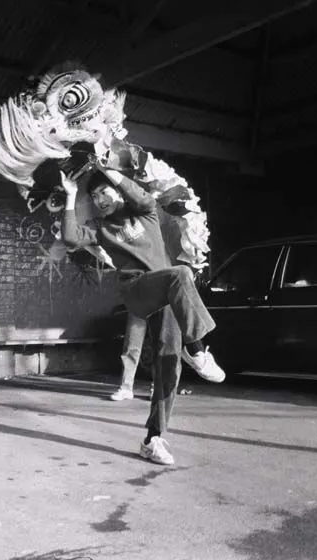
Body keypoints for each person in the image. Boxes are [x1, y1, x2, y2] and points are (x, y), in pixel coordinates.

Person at [61, 166, 225, 465]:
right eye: (94, 196)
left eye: (104, 192)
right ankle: (197, 349)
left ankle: (152, 439)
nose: (100, 200)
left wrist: (106, 168)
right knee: (181, 273)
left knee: (168, 368)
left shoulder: (146, 212)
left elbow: (143, 197)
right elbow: (71, 238)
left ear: (118, 189)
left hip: (166, 294)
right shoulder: (101, 227)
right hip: (137, 289)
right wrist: (72, 196)